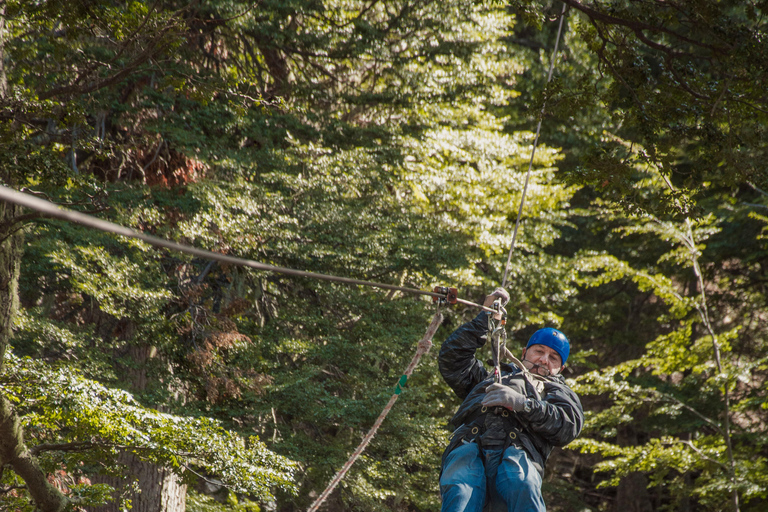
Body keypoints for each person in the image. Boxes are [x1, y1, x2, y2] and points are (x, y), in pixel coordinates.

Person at [438, 288, 584, 512]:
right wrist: (484, 318)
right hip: (471, 443)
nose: (544, 360)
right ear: (525, 352)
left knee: (523, 485)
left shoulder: (558, 391)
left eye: (553, 357)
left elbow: (567, 425)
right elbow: (453, 358)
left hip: (519, 451)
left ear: (561, 367)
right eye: (539, 351)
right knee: (460, 492)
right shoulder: (493, 377)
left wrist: (523, 404)